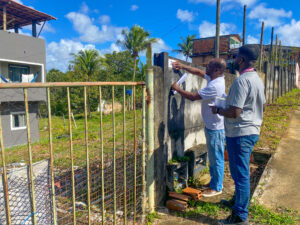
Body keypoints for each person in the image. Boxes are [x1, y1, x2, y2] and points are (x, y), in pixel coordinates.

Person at [211, 45, 266, 225]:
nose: (233, 60)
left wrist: (218, 109)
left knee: (241, 175)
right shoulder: (257, 79)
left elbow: (235, 112)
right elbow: (261, 106)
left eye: (235, 57)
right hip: (251, 130)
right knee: (238, 172)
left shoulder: (241, 81)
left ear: (241, 60)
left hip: (240, 133)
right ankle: (237, 202)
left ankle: (240, 217)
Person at [171, 58, 226, 197]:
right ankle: (215, 183)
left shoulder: (215, 86)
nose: (206, 68)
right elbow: (199, 72)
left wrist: (177, 88)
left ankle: (216, 187)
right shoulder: (215, 78)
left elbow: (193, 97)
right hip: (212, 126)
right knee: (213, 157)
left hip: (216, 128)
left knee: (216, 158)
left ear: (217, 70)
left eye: (209, 67)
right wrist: (183, 66)